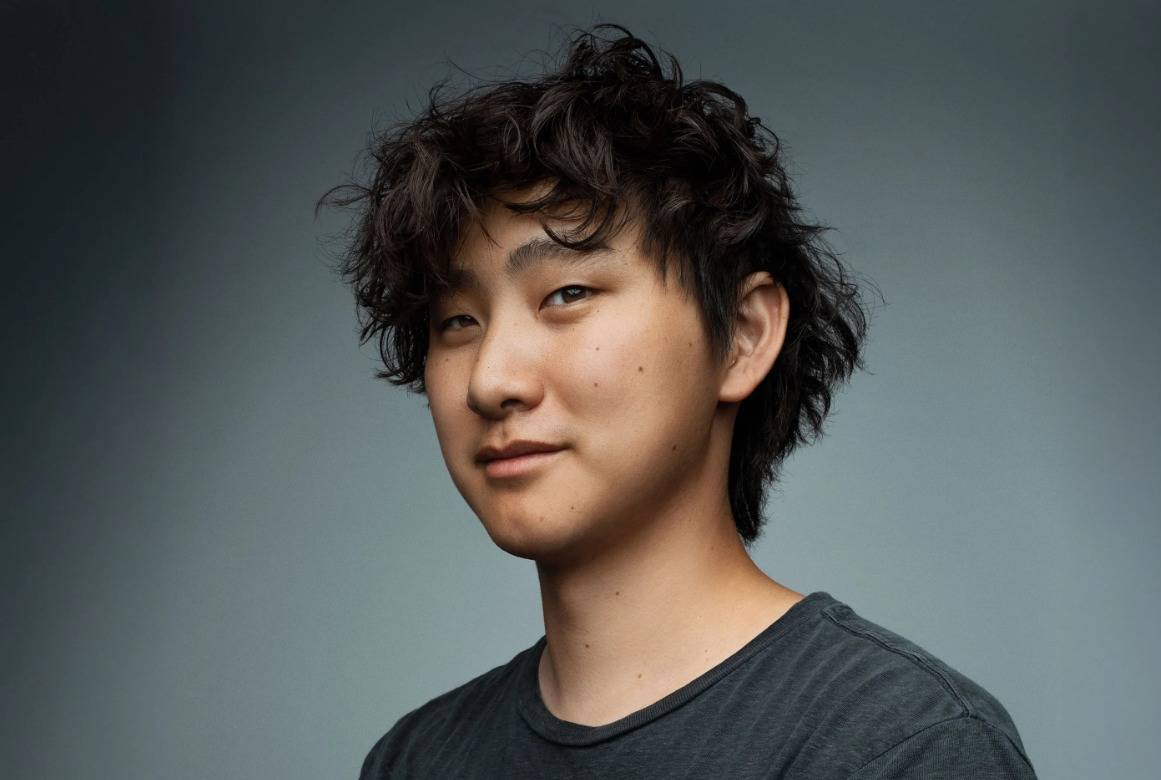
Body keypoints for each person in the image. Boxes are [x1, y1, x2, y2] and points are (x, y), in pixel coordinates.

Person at [321, 22, 1038, 779]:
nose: (489, 380)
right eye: (457, 322)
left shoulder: (906, 746)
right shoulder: (413, 760)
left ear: (742, 335)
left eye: (567, 293)